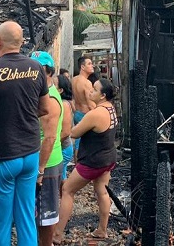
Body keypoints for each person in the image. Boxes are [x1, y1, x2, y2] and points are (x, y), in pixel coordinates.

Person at [0, 21, 59, 246]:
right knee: (26, 217)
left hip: (3, 157)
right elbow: (45, 108)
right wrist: (22, 113)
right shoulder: (36, 68)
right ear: (21, 42)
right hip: (30, 154)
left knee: (1, 224)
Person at [53, 78, 119, 243]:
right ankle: (102, 230)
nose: (90, 92)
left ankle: (57, 234)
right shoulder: (111, 109)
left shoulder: (95, 113)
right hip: (108, 158)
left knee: (68, 189)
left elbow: (74, 133)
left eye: (94, 90)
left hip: (93, 161)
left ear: (102, 95)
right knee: (102, 191)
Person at [30, 51, 68, 246]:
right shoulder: (41, 95)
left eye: (38, 70)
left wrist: (40, 170)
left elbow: (50, 137)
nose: (33, 74)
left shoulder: (50, 101)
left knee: (46, 215)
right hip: (44, 163)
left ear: (50, 72)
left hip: (48, 165)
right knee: (39, 212)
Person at [71, 56, 96, 159]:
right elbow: (91, 104)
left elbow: (71, 98)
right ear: (82, 67)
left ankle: (78, 164)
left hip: (76, 113)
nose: (92, 66)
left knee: (78, 140)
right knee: (85, 142)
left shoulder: (73, 79)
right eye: (89, 64)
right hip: (85, 114)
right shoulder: (87, 83)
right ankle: (81, 164)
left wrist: (74, 111)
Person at [57, 74, 75, 181]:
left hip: (63, 148)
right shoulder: (61, 103)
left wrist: (52, 145)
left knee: (59, 176)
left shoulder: (64, 104)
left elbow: (66, 131)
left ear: (60, 90)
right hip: (63, 146)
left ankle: (64, 195)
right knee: (61, 175)